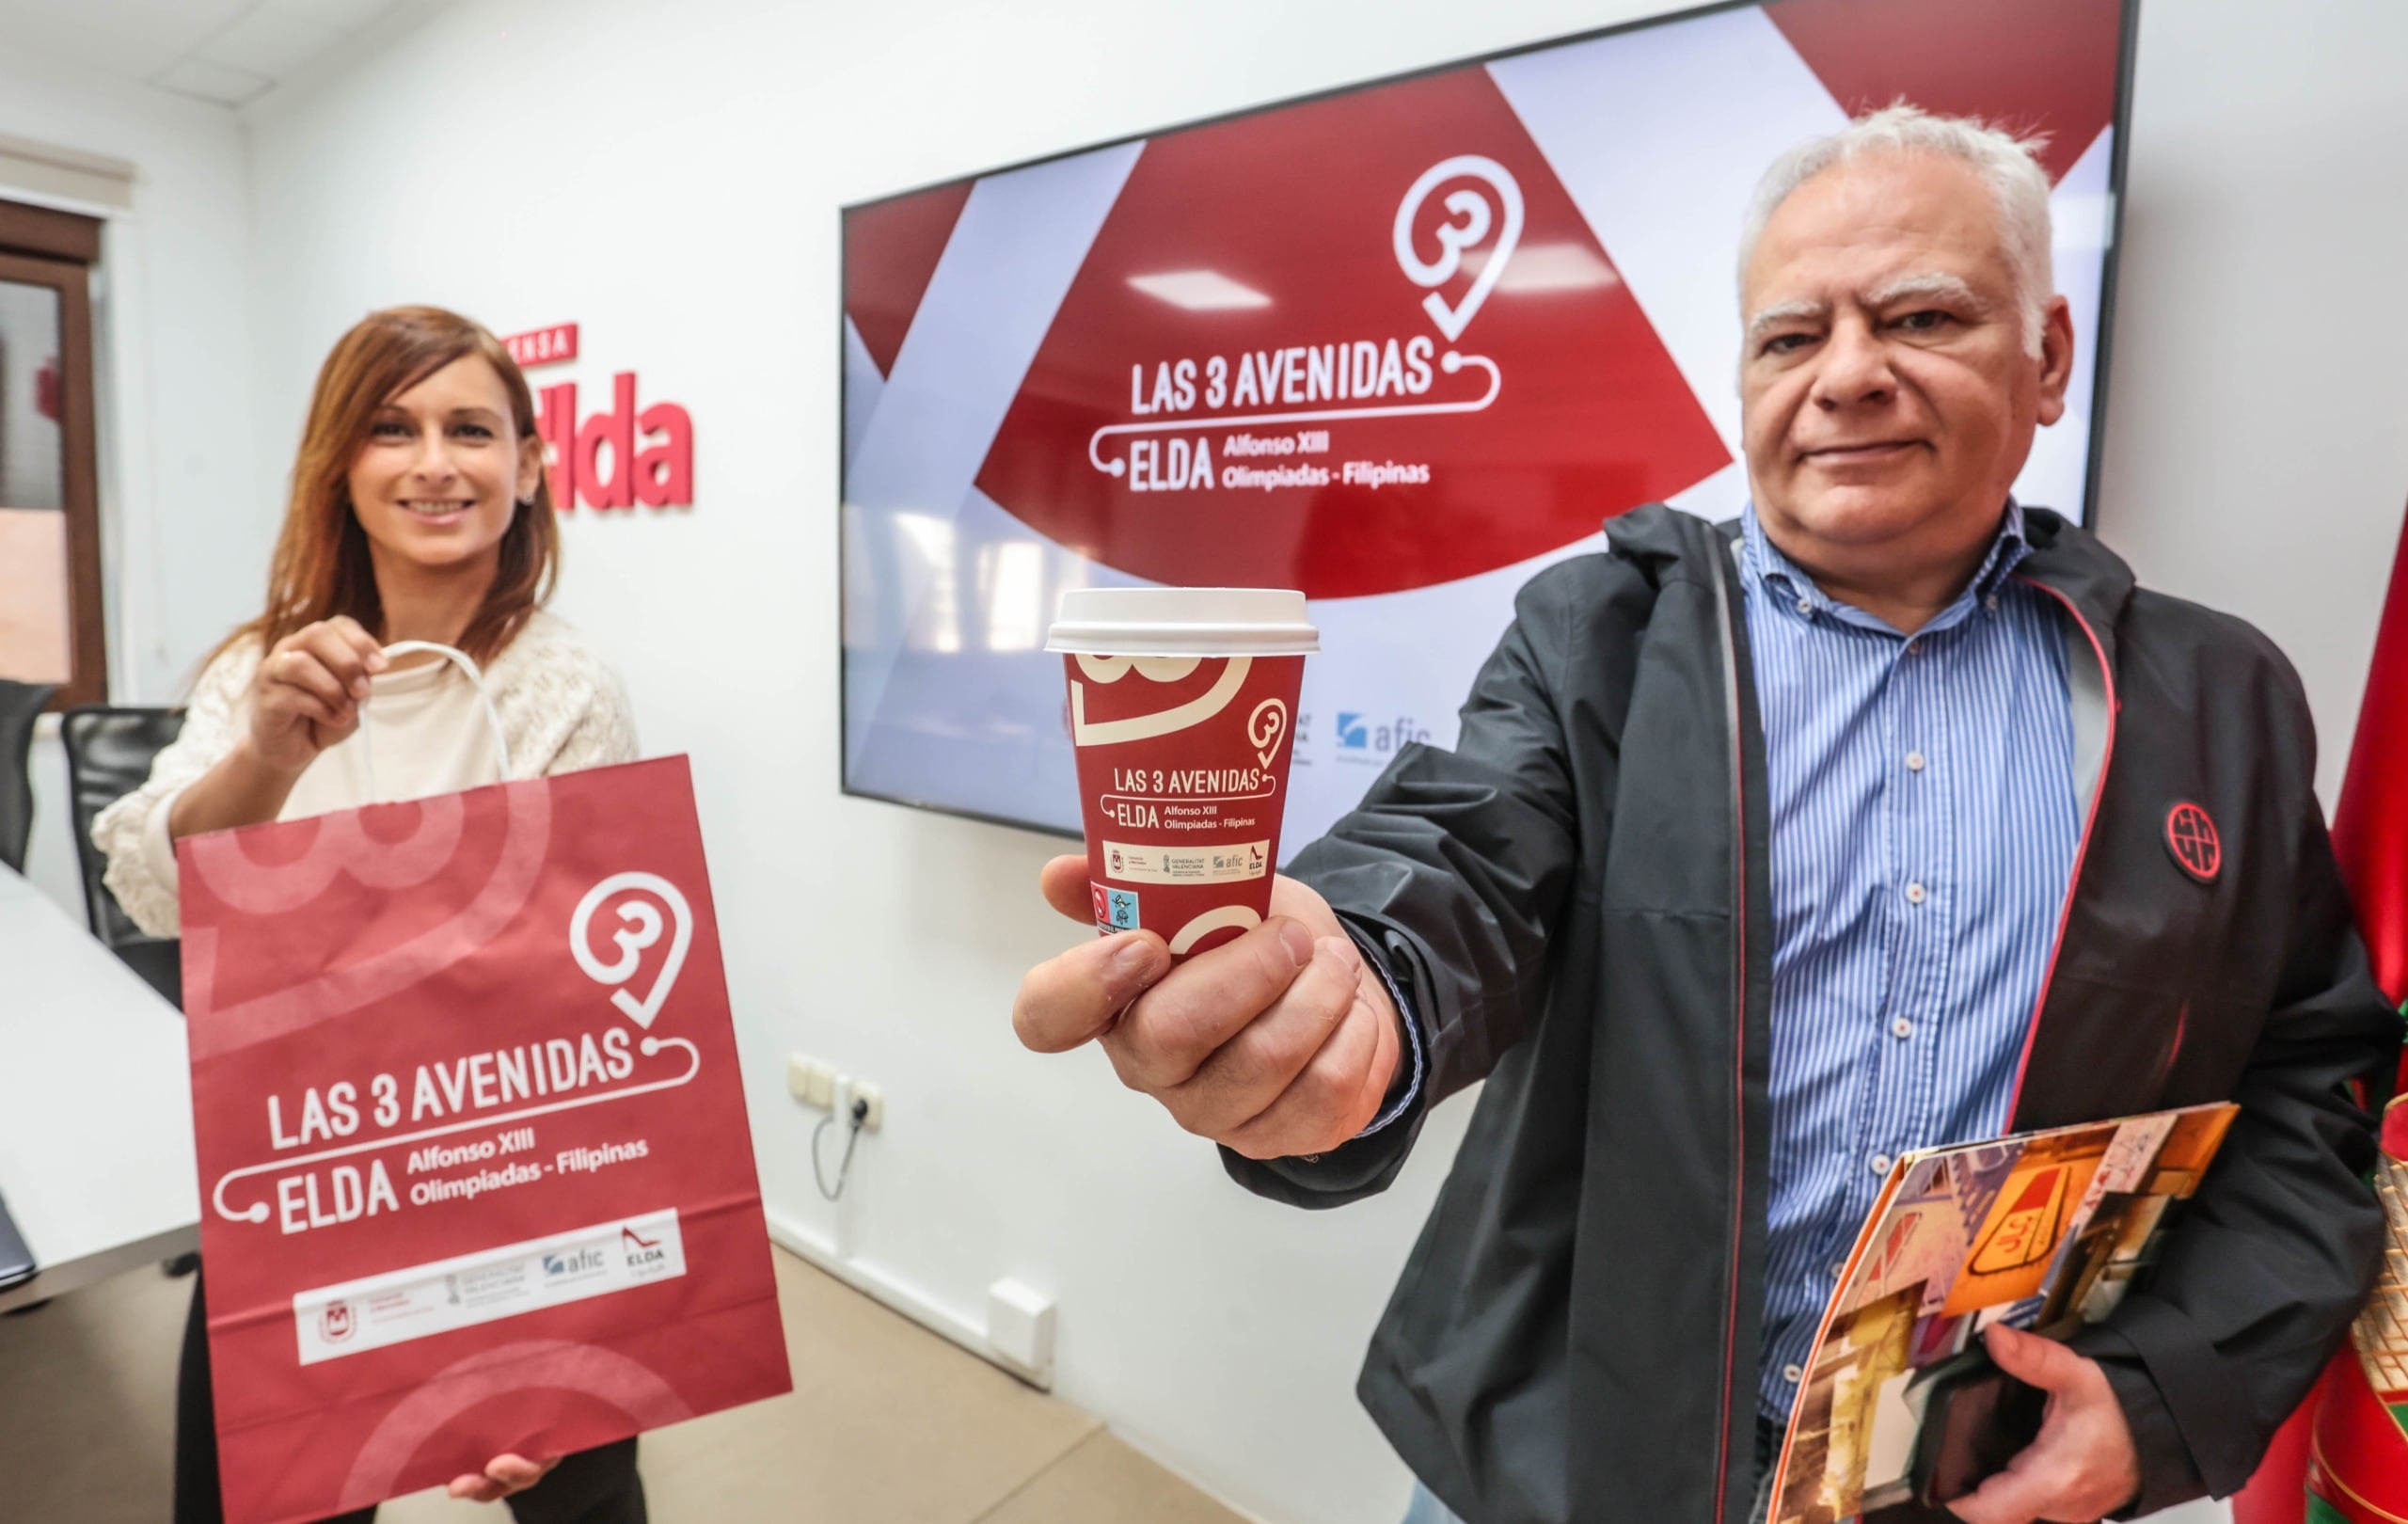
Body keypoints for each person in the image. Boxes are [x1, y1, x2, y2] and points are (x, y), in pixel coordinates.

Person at [1011, 107, 2394, 1524]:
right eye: (1791, 337)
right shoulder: (1604, 633)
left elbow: (2313, 1077)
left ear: (2046, 356)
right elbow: (1460, 854)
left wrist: (2161, 1397)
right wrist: (1351, 982)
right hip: (1565, 1465)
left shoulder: (2213, 697)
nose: (1847, 376)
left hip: (1965, 1483)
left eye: (1920, 317)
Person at [94, 306, 644, 1524]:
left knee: (579, 1497)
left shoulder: (567, 686)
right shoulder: (263, 669)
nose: (435, 463)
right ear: (340, 464)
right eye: (393, 428)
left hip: (512, 1174)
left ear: (529, 466)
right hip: (301, 1175)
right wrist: (267, 759)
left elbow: (583, 1002)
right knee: (268, 1496)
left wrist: (543, 1308)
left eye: (472, 430)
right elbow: (149, 887)